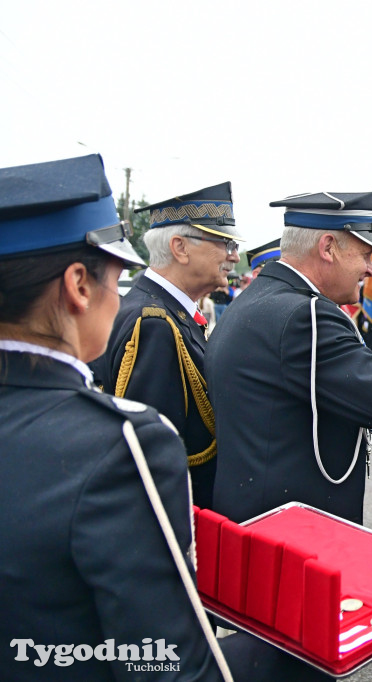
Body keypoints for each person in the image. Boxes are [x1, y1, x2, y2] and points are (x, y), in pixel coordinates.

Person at [0, 153, 290, 681]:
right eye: (117, 276)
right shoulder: (124, 443)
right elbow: (162, 662)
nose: (122, 296)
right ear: (78, 287)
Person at [206, 191, 372, 525]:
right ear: (327, 247)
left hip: (261, 523)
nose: (370, 270)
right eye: (364, 255)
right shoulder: (307, 318)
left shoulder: (256, 300)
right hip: (295, 537)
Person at [93, 181, 242, 509]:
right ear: (180, 248)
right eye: (224, 243)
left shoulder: (162, 311)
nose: (234, 256)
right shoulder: (154, 324)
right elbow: (152, 459)